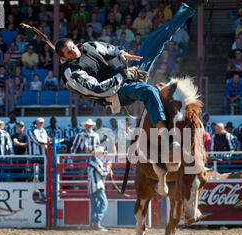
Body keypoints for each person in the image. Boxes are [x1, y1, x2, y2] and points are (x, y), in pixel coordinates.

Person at [56, 2, 203, 152]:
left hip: (126, 74)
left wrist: (120, 53)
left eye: (73, 47)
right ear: (63, 57)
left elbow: (109, 49)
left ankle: (188, 9)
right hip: (115, 94)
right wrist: (124, 74)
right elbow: (98, 89)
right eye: (69, 52)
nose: (74, 51)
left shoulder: (87, 46)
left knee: (155, 40)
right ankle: (165, 137)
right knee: (149, 91)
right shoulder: (71, 72)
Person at [87, 145, 110, 231]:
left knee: (94, 205)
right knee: (104, 203)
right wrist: (108, 168)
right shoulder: (96, 162)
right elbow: (102, 173)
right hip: (97, 186)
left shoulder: (93, 162)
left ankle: (93, 224)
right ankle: (96, 222)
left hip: (92, 187)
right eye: (102, 154)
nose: (103, 155)